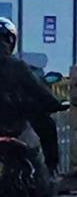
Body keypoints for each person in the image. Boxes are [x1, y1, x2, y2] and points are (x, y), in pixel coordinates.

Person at [0, 19, 63, 179]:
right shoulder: (16, 66)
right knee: (47, 125)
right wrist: (55, 104)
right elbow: (39, 90)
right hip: (12, 123)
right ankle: (50, 171)